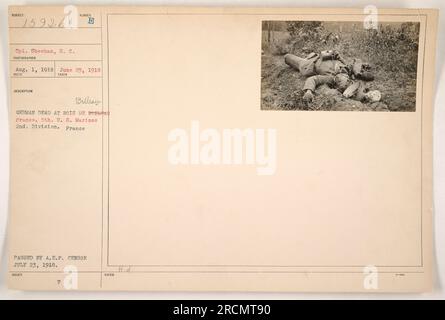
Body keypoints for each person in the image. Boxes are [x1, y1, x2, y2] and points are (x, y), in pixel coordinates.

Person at [284, 50, 378, 103]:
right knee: (308, 56)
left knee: (287, 57)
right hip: (320, 57)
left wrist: (308, 91)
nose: (343, 80)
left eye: (343, 82)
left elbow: (314, 79)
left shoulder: (331, 78)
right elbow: (357, 61)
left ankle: (295, 56)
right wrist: (358, 72)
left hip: (309, 64)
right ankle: (309, 55)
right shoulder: (349, 71)